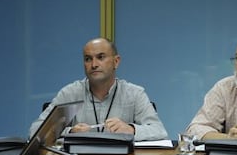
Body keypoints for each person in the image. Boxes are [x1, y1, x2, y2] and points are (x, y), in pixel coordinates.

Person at [30, 37, 168, 141]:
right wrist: (70, 132)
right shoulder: (70, 93)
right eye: (88, 59)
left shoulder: (135, 94)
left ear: (116, 61)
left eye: (101, 57)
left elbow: (159, 131)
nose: (94, 64)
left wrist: (131, 129)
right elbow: (35, 132)